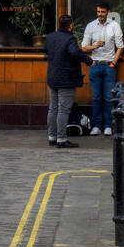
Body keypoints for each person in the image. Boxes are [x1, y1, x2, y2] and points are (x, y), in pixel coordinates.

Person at [45, 15, 93, 149]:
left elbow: (47, 53)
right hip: (66, 79)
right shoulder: (70, 39)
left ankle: (52, 137)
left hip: (52, 77)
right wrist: (89, 61)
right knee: (63, 109)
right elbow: (75, 52)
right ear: (70, 26)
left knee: (53, 108)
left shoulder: (50, 37)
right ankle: (61, 138)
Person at [81, 2, 124, 136]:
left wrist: (113, 63)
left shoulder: (114, 25)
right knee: (96, 97)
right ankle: (96, 126)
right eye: (98, 12)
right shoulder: (91, 26)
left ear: (108, 12)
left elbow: (121, 46)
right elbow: (83, 47)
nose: (100, 15)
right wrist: (95, 46)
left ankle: (108, 125)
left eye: (103, 12)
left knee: (108, 97)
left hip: (109, 65)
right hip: (95, 64)